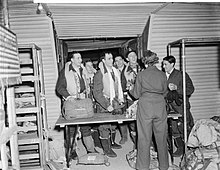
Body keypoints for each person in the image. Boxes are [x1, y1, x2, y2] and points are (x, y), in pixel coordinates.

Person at [130, 50, 169, 170]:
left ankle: (142, 167)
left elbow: (136, 94)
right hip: (160, 107)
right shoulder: (162, 74)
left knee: (144, 138)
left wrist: (130, 89)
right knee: (161, 137)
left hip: (145, 107)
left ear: (145, 62)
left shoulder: (141, 75)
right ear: (155, 61)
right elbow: (165, 92)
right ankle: (164, 166)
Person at [56, 52, 97, 160]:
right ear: (72, 60)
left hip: (82, 100)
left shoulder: (82, 70)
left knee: (86, 126)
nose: (80, 60)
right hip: (72, 102)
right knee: (71, 129)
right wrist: (69, 97)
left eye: (81, 58)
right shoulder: (65, 71)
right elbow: (60, 88)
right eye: (78, 58)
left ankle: (91, 149)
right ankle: (72, 151)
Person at [93, 51, 124, 158]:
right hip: (104, 104)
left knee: (113, 126)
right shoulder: (99, 73)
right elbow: (97, 93)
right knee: (104, 128)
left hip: (115, 102)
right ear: (103, 61)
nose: (112, 60)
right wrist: (107, 105)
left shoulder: (115, 71)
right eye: (109, 59)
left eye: (112, 58)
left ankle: (112, 142)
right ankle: (107, 149)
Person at [163, 55, 195, 157]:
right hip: (169, 108)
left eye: (165, 64)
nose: (163, 66)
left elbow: (190, 89)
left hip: (180, 106)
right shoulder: (162, 75)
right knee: (173, 129)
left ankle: (191, 148)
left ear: (172, 64)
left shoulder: (181, 74)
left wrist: (177, 89)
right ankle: (180, 147)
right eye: (163, 64)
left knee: (185, 127)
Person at [123, 50, 141, 148]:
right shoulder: (126, 71)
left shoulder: (142, 67)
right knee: (133, 123)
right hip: (131, 98)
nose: (133, 57)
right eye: (131, 56)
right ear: (127, 59)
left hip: (143, 98)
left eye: (134, 55)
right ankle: (136, 145)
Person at [114, 54, 128, 144]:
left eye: (120, 60)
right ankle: (124, 136)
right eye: (116, 60)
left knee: (130, 115)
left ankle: (133, 134)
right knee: (120, 117)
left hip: (128, 95)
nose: (118, 62)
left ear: (123, 60)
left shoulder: (128, 69)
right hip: (119, 96)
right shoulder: (114, 71)